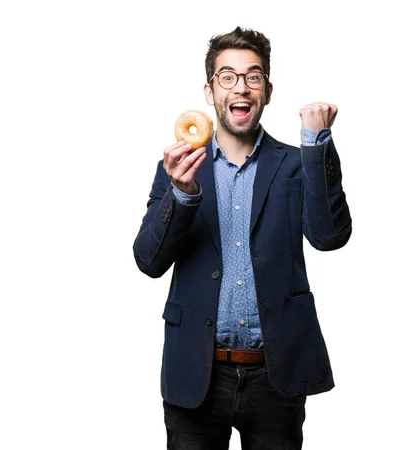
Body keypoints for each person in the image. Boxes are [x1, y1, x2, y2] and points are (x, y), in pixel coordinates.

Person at [133, 26, 352, 449]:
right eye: (228, 77)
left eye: (253, 77)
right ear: (210, 90)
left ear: (267, 91)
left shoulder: (295, 162)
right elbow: (148, 261)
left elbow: (329, 236)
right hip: (197, 370)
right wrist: (181, 194)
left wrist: (317, 141)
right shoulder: (178, 167)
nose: (242, 87)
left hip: (276, 372)